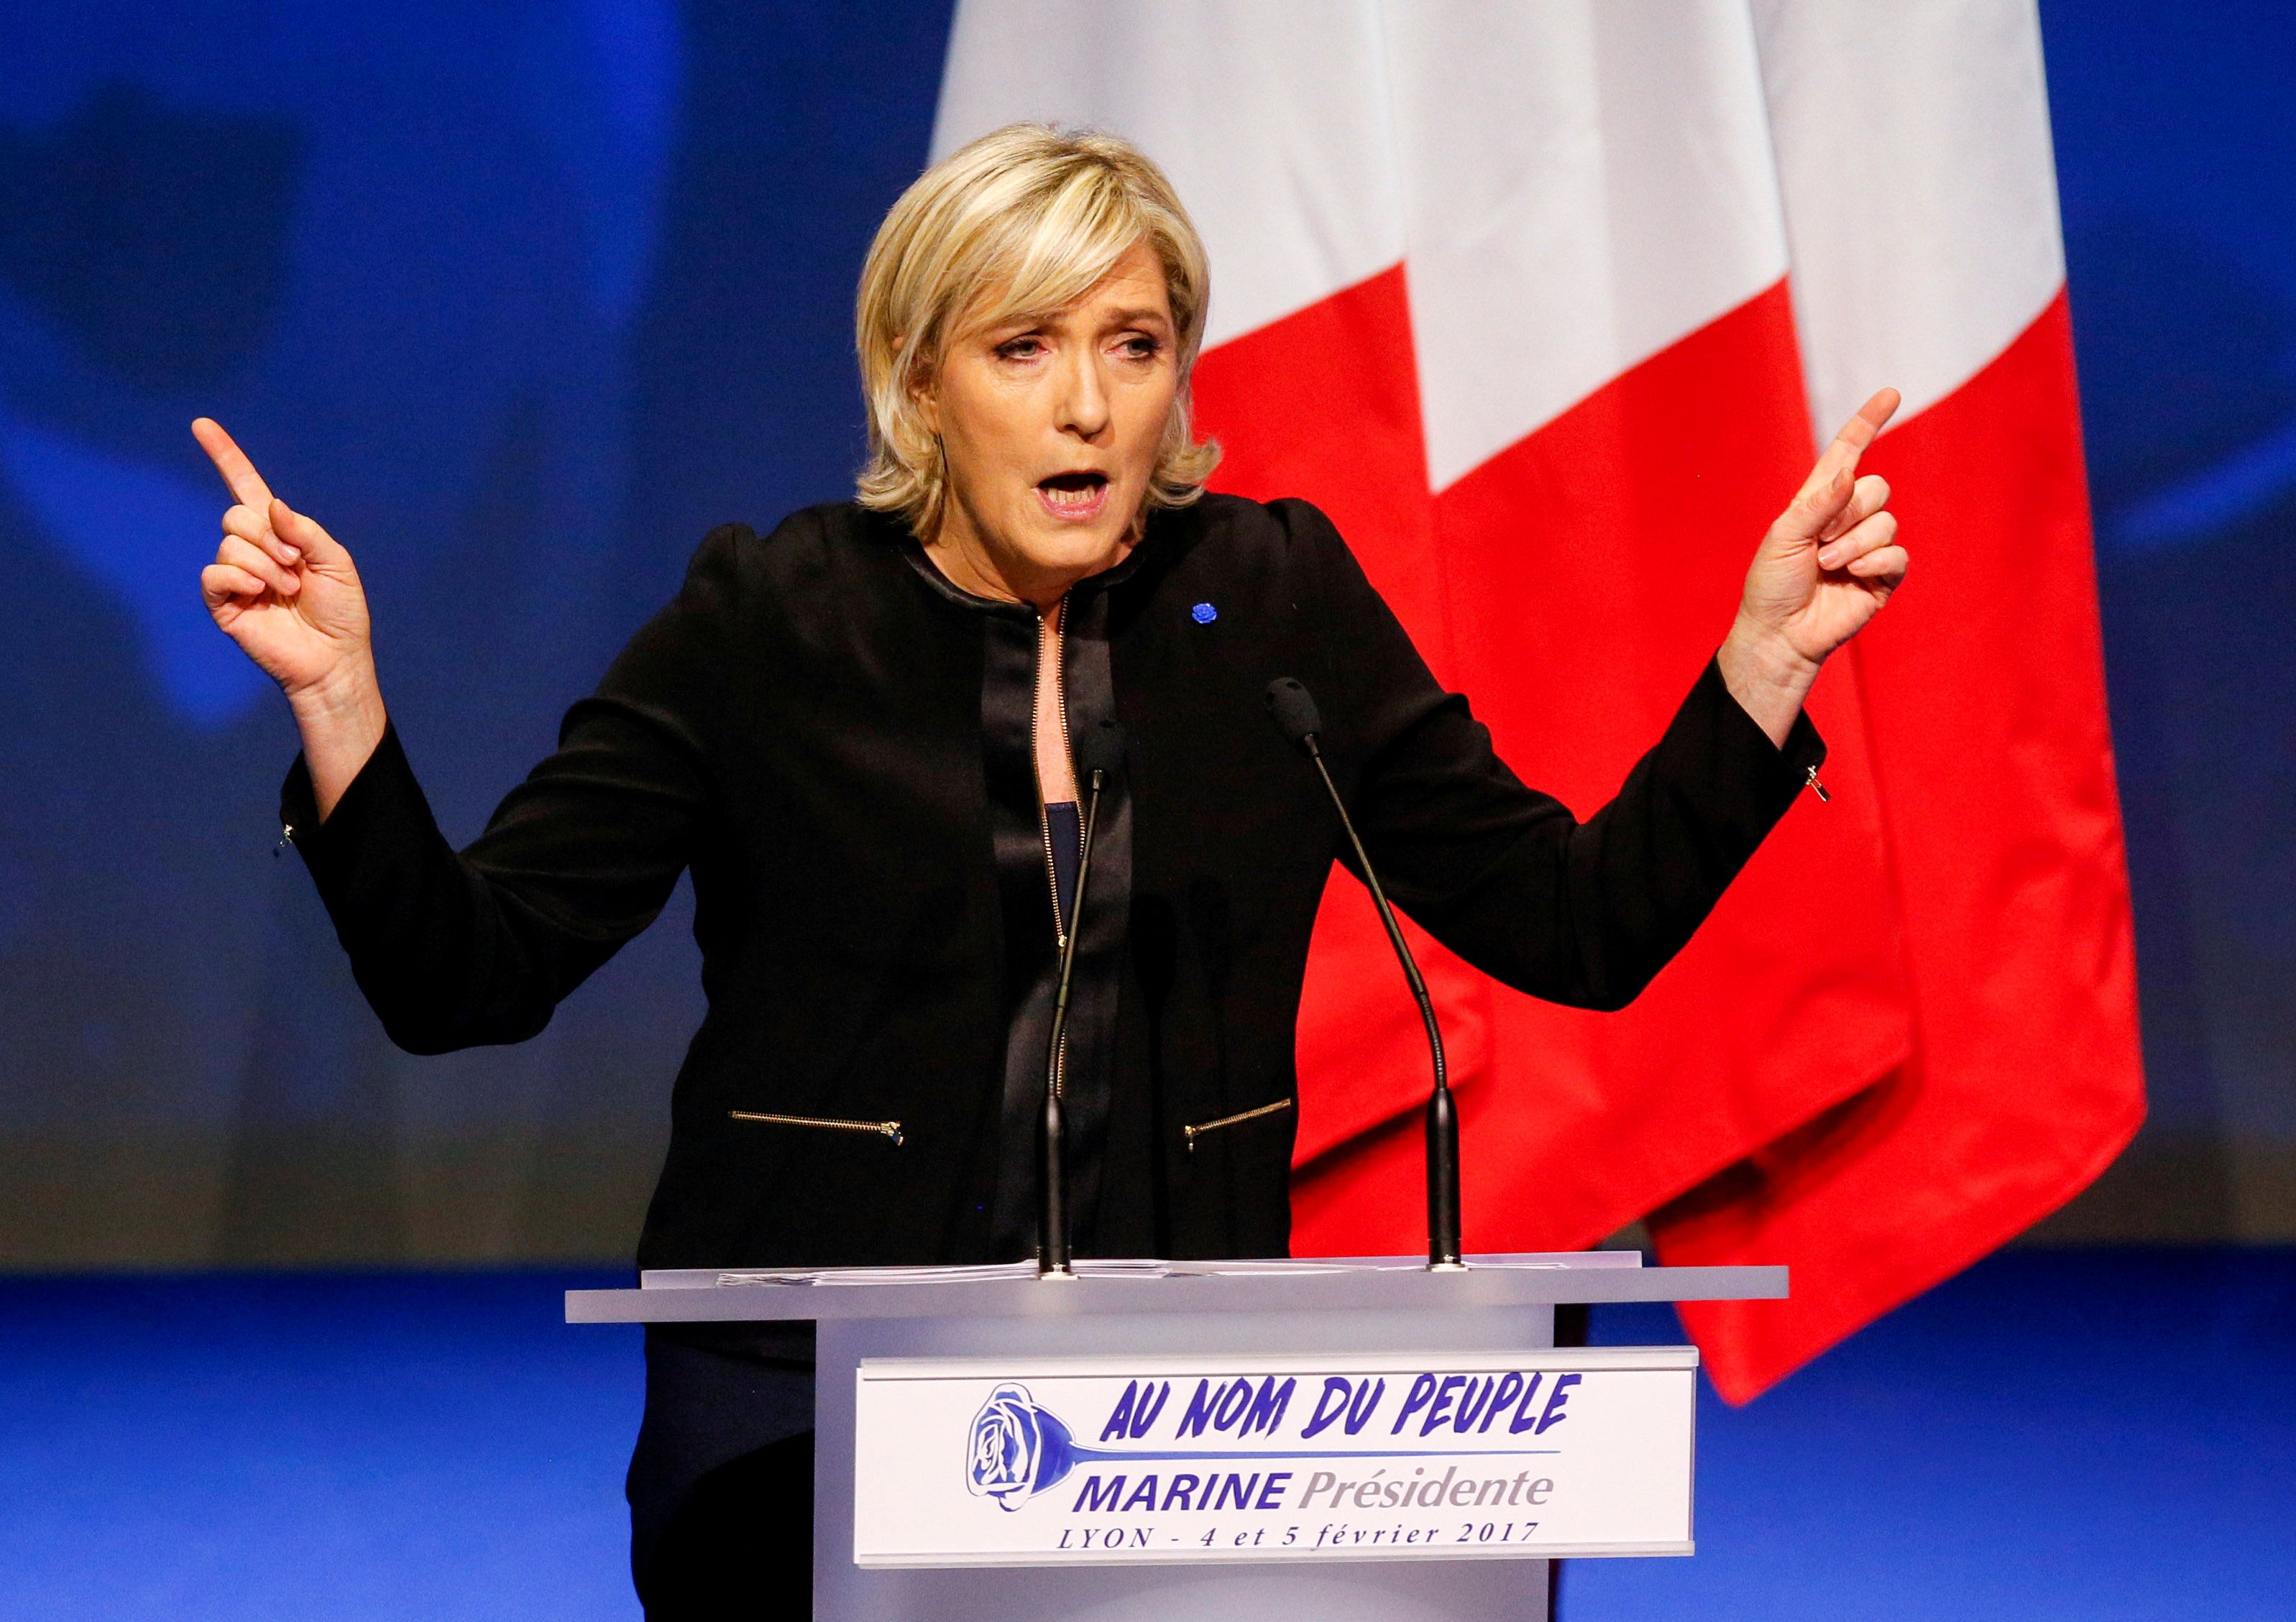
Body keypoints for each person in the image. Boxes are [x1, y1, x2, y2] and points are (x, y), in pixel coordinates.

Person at [194, 124, 1906, 1617]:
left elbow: (1577, 926)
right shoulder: (771, 620)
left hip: (1166, 1423)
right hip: (806, 1407)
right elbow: (467, 978)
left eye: (1133, 344)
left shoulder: (1272, 603)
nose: (1088, 403)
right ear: (918, 376)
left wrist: (1759, 669)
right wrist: (342, 705)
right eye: (1023, 346)